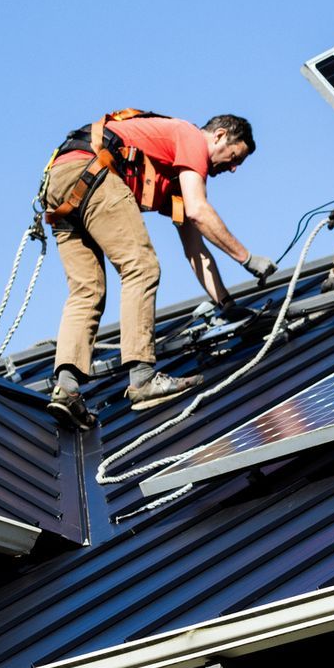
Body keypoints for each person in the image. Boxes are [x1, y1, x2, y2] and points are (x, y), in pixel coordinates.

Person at [42, 112, 276, 431]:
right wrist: (247, 259)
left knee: (86, 291)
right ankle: (143, 379)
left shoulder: (172, 178)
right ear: (220, 136)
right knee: (142, 267)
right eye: (235, 157)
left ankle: (66, 389)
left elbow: (196, 250)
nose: (232, 168)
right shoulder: (191, 137)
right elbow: (199, 210)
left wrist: (227, 305)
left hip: (60, 181)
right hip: (94, 172)